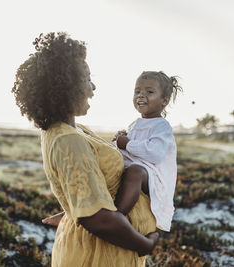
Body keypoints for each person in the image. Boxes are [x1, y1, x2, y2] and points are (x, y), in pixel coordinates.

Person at [12, 32, 158, 267]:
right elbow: (97, 220)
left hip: (94, 246)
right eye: (86, 79)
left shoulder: (70, 131)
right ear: (66, 86)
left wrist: (72, 209)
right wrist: (145, 245)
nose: (93, 86)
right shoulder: (68, 139)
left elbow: (88, 188)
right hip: (96, 254)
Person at [113, 71, 182, 232]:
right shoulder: (134, 124)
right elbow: (127, 151)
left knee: (135, 171)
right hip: (138, 170)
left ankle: (118, 215)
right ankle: (81, 208)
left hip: (154, 177)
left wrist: (128, 144)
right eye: (137, 91)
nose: (141, 95)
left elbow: (154, 153)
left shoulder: (161, 126)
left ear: (164, 100)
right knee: (107, 164)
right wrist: (118, 141)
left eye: (149, 92)